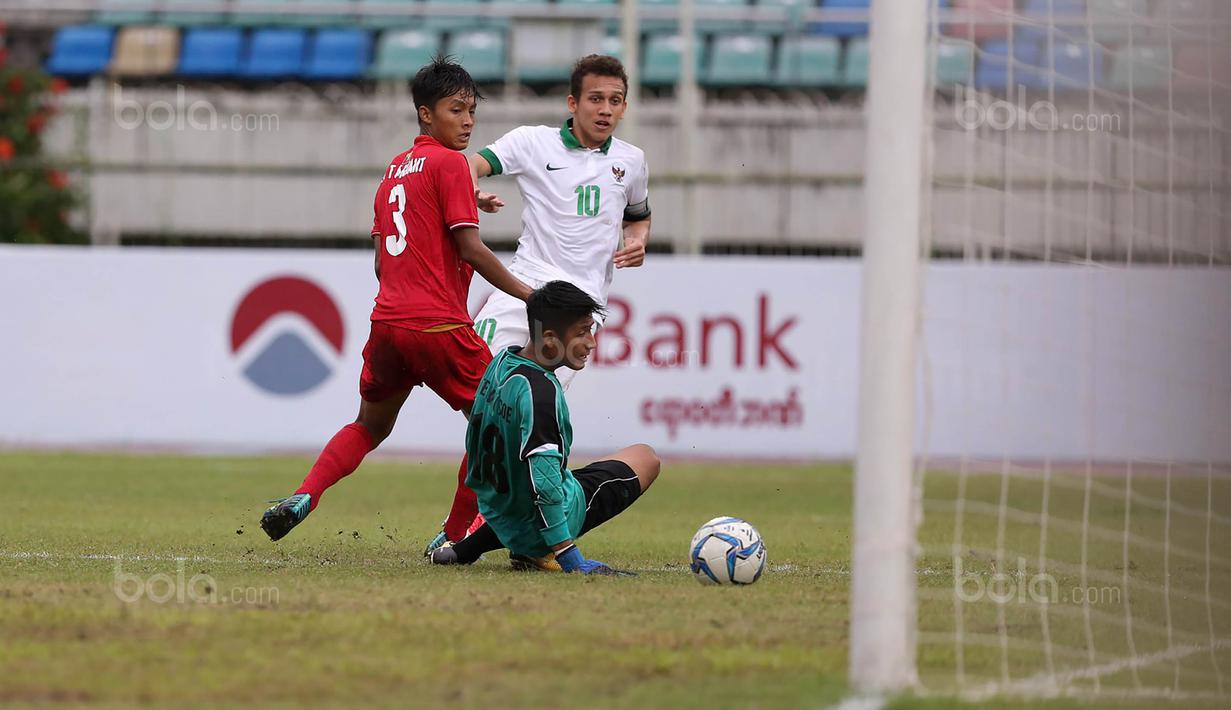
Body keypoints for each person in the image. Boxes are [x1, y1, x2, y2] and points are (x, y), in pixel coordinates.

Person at [259, 57, 532, 541]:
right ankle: (454, 533)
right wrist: (530, 294)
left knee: (369, 426)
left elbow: (383, 263)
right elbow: (471, 247)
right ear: (426, 114)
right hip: (440, 326)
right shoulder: (450, 163)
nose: (467, 121)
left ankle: (306, 494)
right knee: (494, 421)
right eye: (455, 110)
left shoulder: (394, 172)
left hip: (387, 324)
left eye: (471, 110)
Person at [426, 54, 654, 551]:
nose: (605, 109)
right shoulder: (534, 142)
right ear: (573, 102)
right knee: (486, 406)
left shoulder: (631, 161)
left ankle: (472, 530)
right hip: (520, 296)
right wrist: (472, 191)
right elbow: (470, 164)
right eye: (595, 99)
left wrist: (638, 238)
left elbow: (639, 214)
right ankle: (485, 527)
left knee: (528, 421)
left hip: (577, 317)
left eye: (615, 101)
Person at [429, 280, 661, 573]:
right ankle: (534, 550)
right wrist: (570, 557)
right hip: (540, 525)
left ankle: (464, 549)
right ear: (550, 338)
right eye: (582, 332)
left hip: (497, 509)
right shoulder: (542, 393)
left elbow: (474, 436)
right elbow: (547, 486)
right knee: (646, 457)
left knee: (566, 473)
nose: (591, 342)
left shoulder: (500, 362)